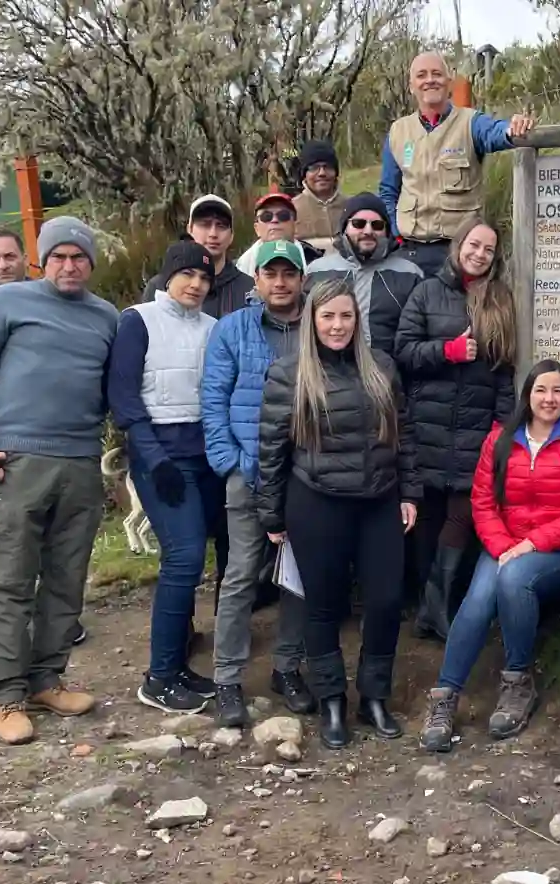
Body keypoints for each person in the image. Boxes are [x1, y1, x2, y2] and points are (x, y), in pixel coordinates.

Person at [0, 216, 120, 745]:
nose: (68, 266)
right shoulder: (8, 303)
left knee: (67, 580)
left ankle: (47, 679)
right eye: (58, 256)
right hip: (14, 461)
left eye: (78, 257)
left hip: (79, 463)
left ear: (91, 263)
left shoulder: (107, 317)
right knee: (9, 581)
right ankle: (6, 697)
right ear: (41, 261)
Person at [254, 278, 420, 749]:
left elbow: (402, 436)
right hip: (316, 500)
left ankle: (374, 696)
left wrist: (410, 492)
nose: (337, 325)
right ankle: (331, 700)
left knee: (387, 601)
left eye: (346, 316)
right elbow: (271, 450)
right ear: (312, 320)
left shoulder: (382, 368)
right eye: (328, 316)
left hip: (380, 499)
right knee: (323, 605)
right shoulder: (289, 374)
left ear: (357, 320)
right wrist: (272, 514)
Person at [418, 360, 560, 752]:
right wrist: (504, 545)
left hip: (559, 549)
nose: (549, 399)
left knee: (513, 578)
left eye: (557, 391)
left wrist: (531, 544)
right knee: (477, 600)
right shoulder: (500, 440)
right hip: (504, 544)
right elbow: (482, 501)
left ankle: (517, 681)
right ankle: (445, 696)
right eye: (541, 390)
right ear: (527, 395)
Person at [202, 240, 317, 726]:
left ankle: (287, 668)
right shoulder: (232, 330)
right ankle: (227, 677)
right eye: (270, 273)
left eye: (288, 273)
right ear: (257, 279)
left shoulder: (319, 326)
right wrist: (230, 462)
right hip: (249, 475)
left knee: (298, 579)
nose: (280, 282)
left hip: (308, 478)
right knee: (241, 577)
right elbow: (213, 401)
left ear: (301, 278)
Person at [109, 240, 224, 713]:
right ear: (168, 276)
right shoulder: (137, 320)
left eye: (204, 278)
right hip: (161, 454)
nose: (196, 285)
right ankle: (159, 675)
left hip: (205, 453)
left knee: (197, 559)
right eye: (187, 276)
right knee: (184, 555)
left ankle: (177, 667)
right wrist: (153, 458)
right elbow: (124, 395)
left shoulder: (214, 327)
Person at [396, 218, 517, 642]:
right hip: (426, 420)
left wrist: (502, 424)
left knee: (465, 510)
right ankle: (431, 609)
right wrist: (446, 351)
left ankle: (436, 603)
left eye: (488, 249)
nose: (480, 254)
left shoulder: (499, 299)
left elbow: (506, 371)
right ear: (459, 244)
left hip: (475, 425)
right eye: (474, 244)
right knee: (427, 517)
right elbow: (404, 352)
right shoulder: (427, 291)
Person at [379, 52, 537, 277]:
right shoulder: (398, 132)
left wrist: (513, 129)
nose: (430, 80)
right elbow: (388, 191)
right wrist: (396, 235)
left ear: (449, 81)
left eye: (437, 74)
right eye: (421, 75)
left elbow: (495, 132)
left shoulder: (470, 122)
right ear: (411, 86)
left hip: (457, 253)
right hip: (409, 252)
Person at [305, 194, 424, 356]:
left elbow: (418, 332)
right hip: (329, 370)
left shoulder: (410, 273)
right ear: (344, 228)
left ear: (387, 231)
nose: (368, 231)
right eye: (358, 224)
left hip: (391, 371)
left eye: (377, 225)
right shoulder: (317, 270)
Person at [142, 195, 254, 316]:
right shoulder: (159, 285)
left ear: (231, 235)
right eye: (205, 224)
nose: (213, 234)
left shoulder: (249, 289)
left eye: (221, 226)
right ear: (189, 229)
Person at [234, 192, 324, 277]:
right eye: (266, 216)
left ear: (295, 225)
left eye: (283, 215)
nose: (275, 220)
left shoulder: (315, 260)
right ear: (257, 229)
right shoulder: (239, 268)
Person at [294, 140, 348, 252]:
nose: (322, 173)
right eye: (314, 168)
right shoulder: (291, 209)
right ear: (304, 174)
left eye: (327, 167)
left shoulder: (352, 206)